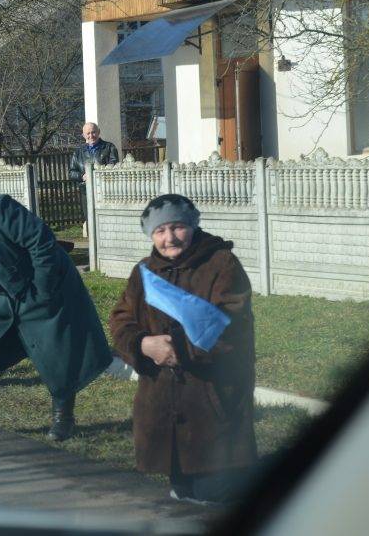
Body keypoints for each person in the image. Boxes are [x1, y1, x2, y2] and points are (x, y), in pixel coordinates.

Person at [0, 183, 111, 442]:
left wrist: (42, 292)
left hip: (49, 292)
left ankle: (63, 418)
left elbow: (41, 242)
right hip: (4, 308)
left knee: (58, 355)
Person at [109, 194, 256, 505]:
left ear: (193, 226)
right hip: (163, 404)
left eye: (177, 228)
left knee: (214, 496)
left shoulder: (221, 264)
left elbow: (231, 325)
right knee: (182, 493)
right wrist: (143, 344)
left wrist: (180, 351)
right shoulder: (145, 272)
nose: (169, 238)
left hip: (212, 400)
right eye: (160, 231)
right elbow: (121, 320)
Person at [68, 122, 120, 234]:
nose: (91, 136)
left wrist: (97, 174)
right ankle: (93, 248)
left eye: (93, 132)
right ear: (83, 135)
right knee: (91, 222)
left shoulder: (109, 147)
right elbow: (71, 173)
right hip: (86, 192)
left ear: (98, 132)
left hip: (106, 191)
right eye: (88, 133)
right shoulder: (78, 153)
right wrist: (82, 176)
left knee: (107, 222)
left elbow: (114, 166)